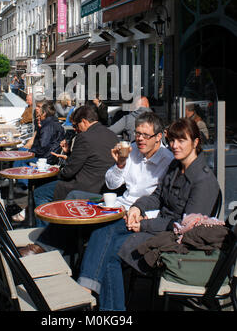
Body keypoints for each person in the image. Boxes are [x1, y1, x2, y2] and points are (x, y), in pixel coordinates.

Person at [77, 117, 220, 311]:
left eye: (181, 141)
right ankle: (88, 289)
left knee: (111, 252)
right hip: (157, 226)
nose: (174, 146)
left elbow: (185, 228)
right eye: (172, 141)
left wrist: (144, 224)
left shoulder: (203, 180)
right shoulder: (175, 167)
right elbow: (157, 196)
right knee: (104, 229)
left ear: (195, 142)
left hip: (174, 241)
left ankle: (108, 308)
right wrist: (137, 208)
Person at [20, 112, 173, 257]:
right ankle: (53, 245)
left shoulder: (168, 161)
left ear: (158, 137)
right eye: (138, 134)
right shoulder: (132, 151)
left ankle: (46, 247)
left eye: (146, 135)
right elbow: (112, 184)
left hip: (136, 213)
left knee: (50, 194)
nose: (140, 139)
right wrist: (120, 165)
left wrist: (144, 216)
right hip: (118, 202)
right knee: (74, 197)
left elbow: (163, 199)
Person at [21, 105, 118, 233]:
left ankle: (46, 237)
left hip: (84, 187)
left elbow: (69, 172)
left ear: (84, 121)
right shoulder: (112, 135)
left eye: (76, 126)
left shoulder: (84, 137)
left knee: (40, 193)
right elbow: (92, 160)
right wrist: (68, 155)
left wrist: (59, 168)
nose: (76, 129)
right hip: (104, 187)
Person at [13, 100, 65, 191]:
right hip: (48, 155)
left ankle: (24, 185)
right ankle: (22, 182)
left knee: (20, 156)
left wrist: (29, 152)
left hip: (46, 157)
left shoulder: (48, 126)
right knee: (20, 153)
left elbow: (43, 147)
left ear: (44, 112)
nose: (36, 110)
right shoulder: (50, 123)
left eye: (39, 108)